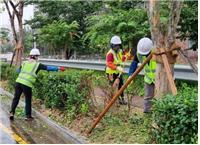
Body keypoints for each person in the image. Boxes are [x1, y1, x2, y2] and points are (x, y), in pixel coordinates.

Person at [9, 48, 65, 121]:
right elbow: (48, 68)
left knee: (16, 98)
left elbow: (18, 71)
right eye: (37, 56)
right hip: (27, 84)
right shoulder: (37, 65)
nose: (38, 58)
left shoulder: (24, 63)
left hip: (18, 82)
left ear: (30, 56)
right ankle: (28, 116)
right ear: (35, 56)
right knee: (28, 100)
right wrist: (58, 68)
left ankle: (12, 113)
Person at [128, 37, 156, 113]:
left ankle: (158, 115)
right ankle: (146, 114)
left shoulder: (157, 53)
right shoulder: (139, 53)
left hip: (159, 79)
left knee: (159, 97)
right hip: (148, 79)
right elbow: (134, 63)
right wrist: (130, 74)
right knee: (147, 97)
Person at [105, 35, 127, 105]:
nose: (117, 47)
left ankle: (122, 99)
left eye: (118, 45)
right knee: (113, 87)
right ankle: (113, 101)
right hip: (111, 73)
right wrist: (117, 67)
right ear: (112, 45)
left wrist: (125, 57)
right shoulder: (110, 53)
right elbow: (109, 63)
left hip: (118, 72)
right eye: (115, 46)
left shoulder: (119, 51)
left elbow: (120, 59)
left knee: (121, 86)